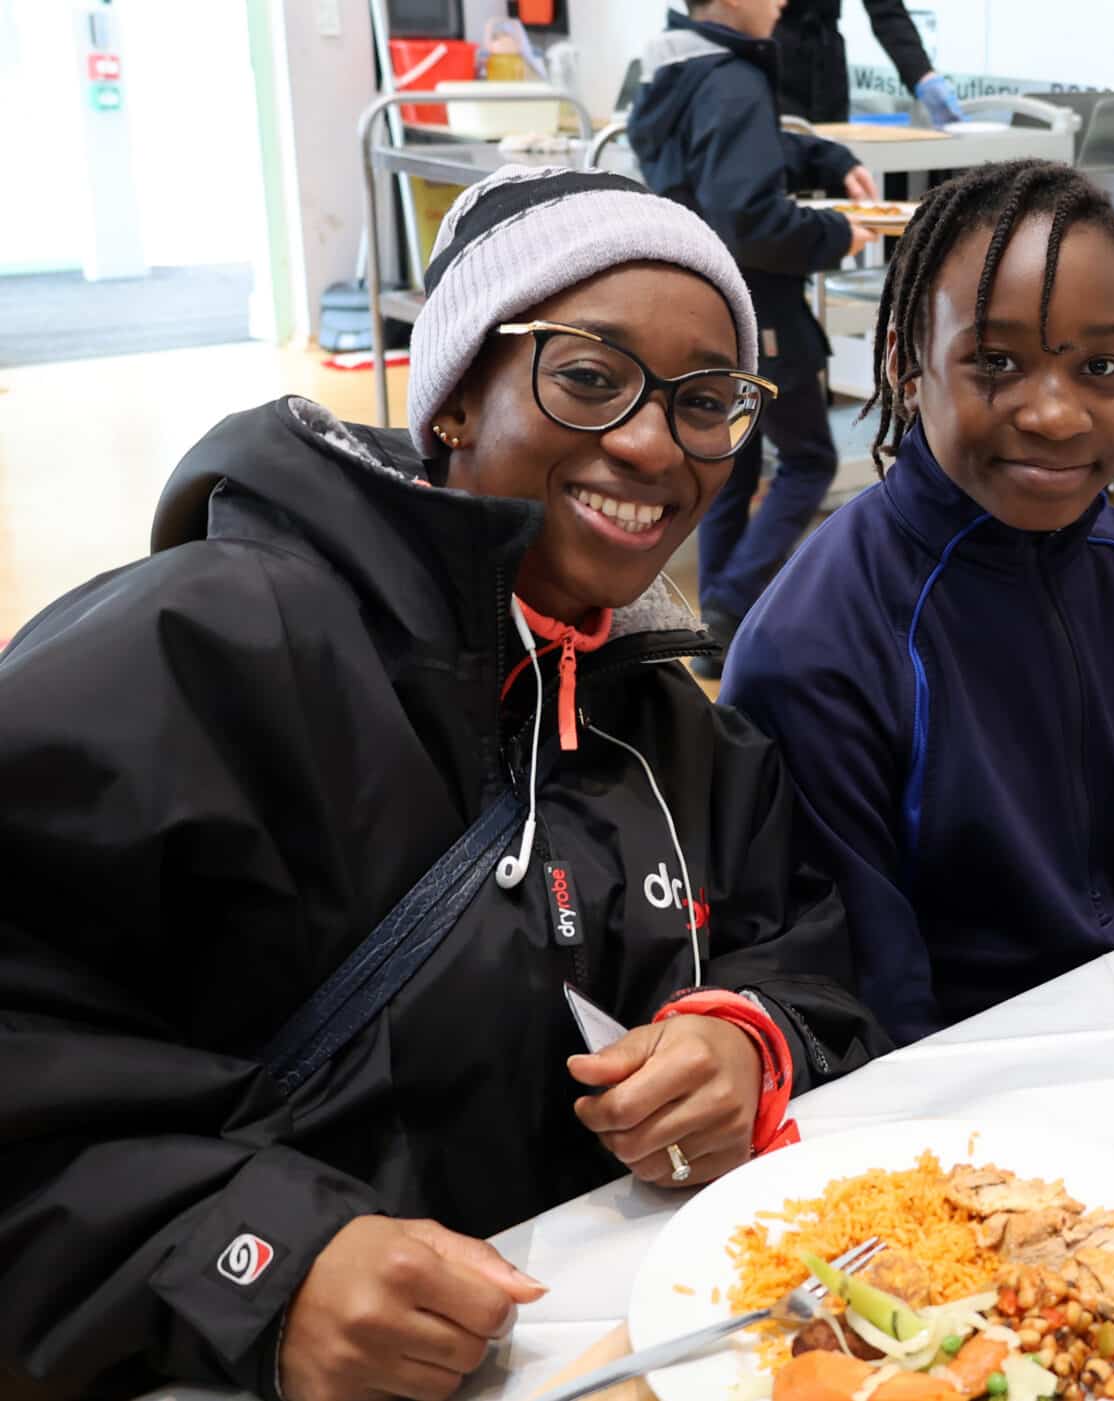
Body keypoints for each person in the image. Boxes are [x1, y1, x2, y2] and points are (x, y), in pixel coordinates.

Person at [0, 166, 889, 1400]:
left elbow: (802, 958)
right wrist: (266, 1273)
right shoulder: (208, 654)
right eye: (587, 374)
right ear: (458, 397)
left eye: (705, 400)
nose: (651, 442)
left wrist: (748, 1046)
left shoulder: (676, 735)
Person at [720, 160, 1114, 1045]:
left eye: (1100, 366)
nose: (1055, 413)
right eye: (995, 362)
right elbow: (870, 1010)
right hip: (962, 1107)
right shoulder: (816, 645)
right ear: (905, 362)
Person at [630, 0, 879, 677]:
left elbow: (741, 148)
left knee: (732, 464)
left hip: (707, 308)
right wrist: (837, 234)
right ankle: (734, 603)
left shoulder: (683, 63)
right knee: (808, 460)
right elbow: (753, 220)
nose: (783, 4)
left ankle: (718, 626)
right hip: (760, 310)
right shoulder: (735, 80)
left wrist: (825, 156)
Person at [775, 0, 964, 126]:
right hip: (771, 52)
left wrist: (923, 76)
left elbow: (886, 10)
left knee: (831, 164)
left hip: (826, 64)